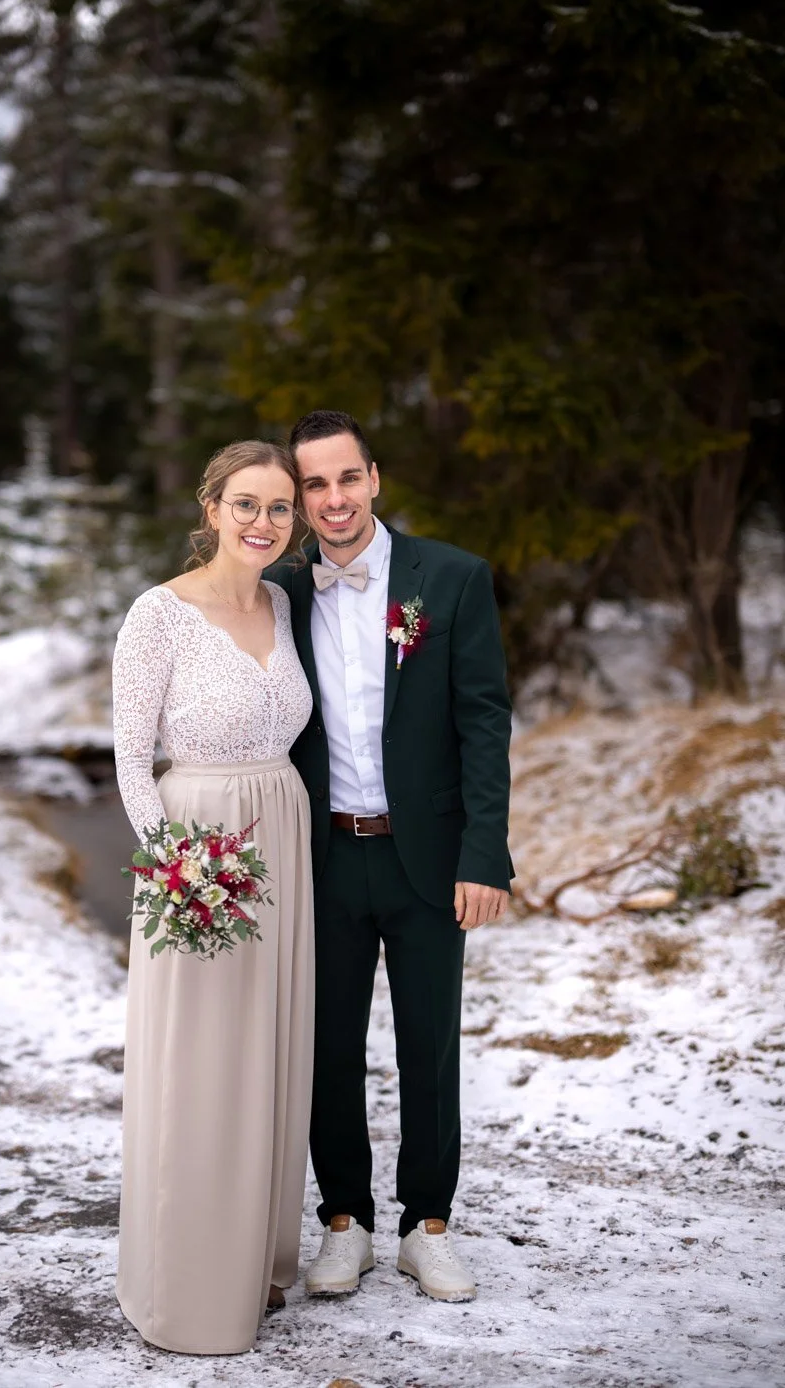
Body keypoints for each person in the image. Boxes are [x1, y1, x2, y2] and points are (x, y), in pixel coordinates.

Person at [266, 409, 513, 1305]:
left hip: (430, 855)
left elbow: (484, 722)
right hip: (321, 855)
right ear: (298, 500)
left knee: (429, 1048)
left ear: (376, 478)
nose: (333, 500)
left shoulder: (448, 579)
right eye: (314, 487)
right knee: (327, 1049)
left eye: (346, 479)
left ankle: (427, 1225)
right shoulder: (277, 591)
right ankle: (345, 1222)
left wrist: (486, 853)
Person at [110, 440, 314, 1355]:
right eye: (246, 504)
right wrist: (177, 871)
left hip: (285, 829)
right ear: (211, 507)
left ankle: (258, 1260)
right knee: (201, 1062)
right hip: (200, 846)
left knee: (270, 1047)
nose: (263, 523)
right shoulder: (160, 614)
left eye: (279, 507)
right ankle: (188, 1283)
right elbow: (129, 757)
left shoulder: (281, 603)